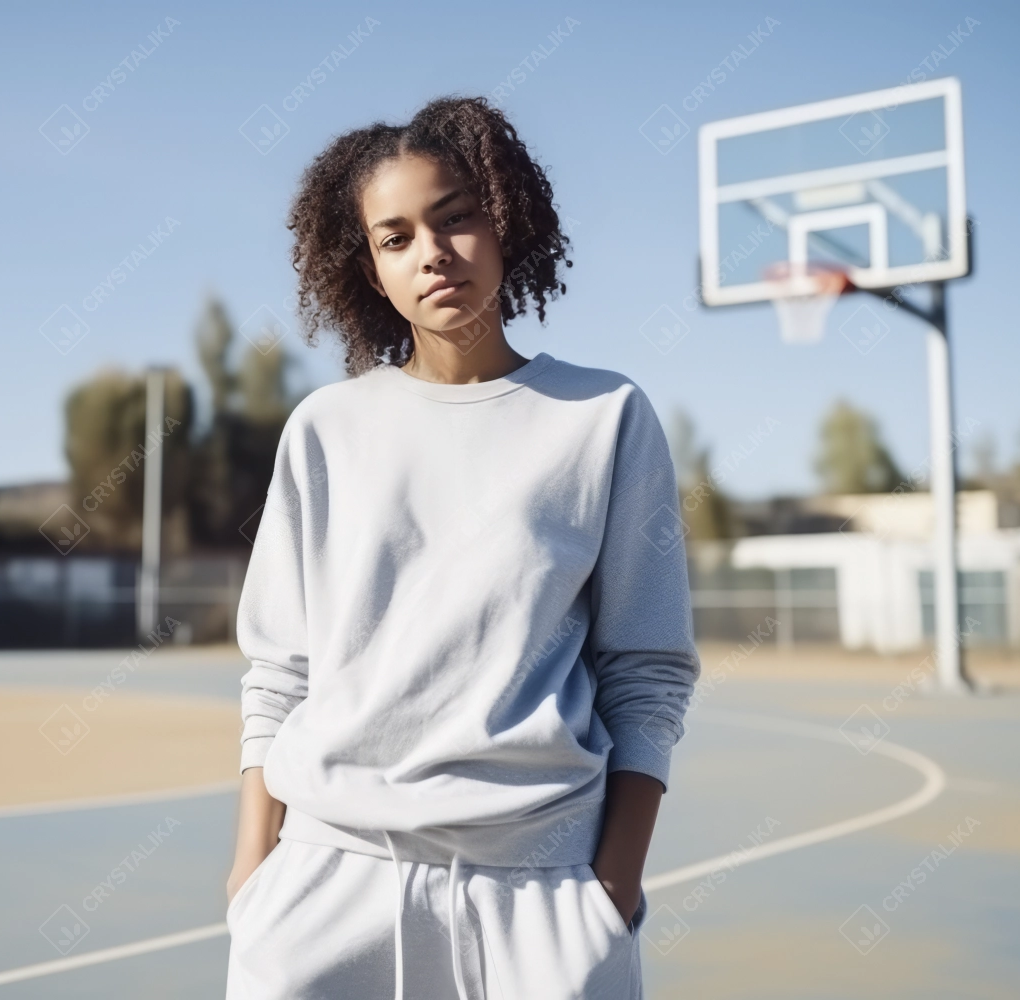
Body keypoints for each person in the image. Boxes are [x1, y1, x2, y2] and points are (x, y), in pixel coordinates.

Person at [224, 95, 698, 1000]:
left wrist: (612, 887)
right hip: (326, 884)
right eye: (394, 237)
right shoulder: (327, 428)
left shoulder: (605, 418)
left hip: (544, 896)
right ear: (367, 267)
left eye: (456, 219)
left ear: (506, 221)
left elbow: (648, 669)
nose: (432, 254)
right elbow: (279, 669)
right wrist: (254, 873)